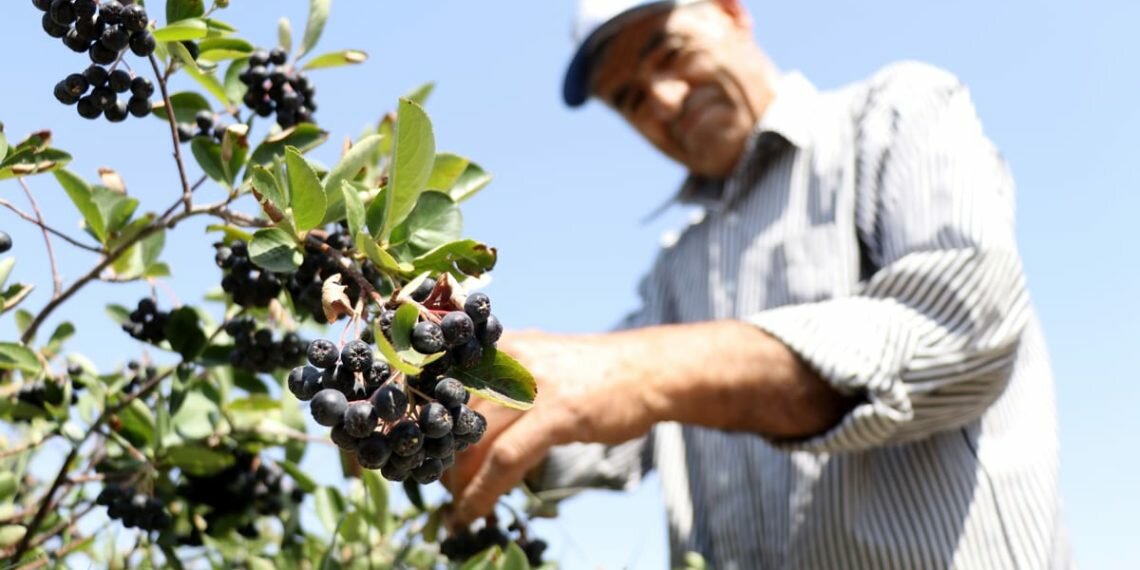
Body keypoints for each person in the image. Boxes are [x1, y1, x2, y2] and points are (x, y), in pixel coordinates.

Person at [444, 0, 1070, 568]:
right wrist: (448, 416)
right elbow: (595, 433)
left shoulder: (893, 114)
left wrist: (641, 370)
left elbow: (962, 326)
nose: (662, 100)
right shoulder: (675, 268)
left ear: (731, 13)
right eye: (631, 99)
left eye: (671, 53)